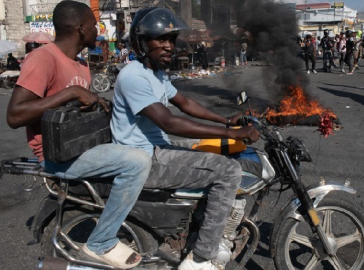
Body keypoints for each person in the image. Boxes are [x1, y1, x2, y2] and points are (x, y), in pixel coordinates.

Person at [6, 2, 151, 269]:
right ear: (81, 28)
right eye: (94, 24)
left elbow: (72, 110)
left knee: (144, 145)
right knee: (137, 161)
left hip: (80, 148)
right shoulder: (43, 58)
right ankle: (101, 242)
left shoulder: (81, 64)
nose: (98, 29)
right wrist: (69, 94)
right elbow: (14, 116)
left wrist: (95, 102)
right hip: (55, 155)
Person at [113, 7, 260, 270]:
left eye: (171, 40)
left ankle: (199, 223)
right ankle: (200, 258)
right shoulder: (133, 77)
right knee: (228, 171)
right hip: (143, 160)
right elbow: (169, 122)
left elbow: (186, 104)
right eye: (161, 39)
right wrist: (231, 132)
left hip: (158, 148)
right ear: (141, 42)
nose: (169, 46)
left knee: (215, 149)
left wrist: (227, 121)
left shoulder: (155, 74)